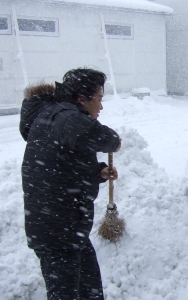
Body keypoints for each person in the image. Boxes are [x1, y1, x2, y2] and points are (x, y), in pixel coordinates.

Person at [19, 67, 122, 299]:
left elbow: (65, 165)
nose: (101, 106)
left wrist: (99, 172)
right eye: (99, 99)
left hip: (69, 230)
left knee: (91, 291)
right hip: (56, 234)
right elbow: (93, 135)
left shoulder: (59, 119)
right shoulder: (63, 116)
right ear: (81, 99)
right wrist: (112, 140)